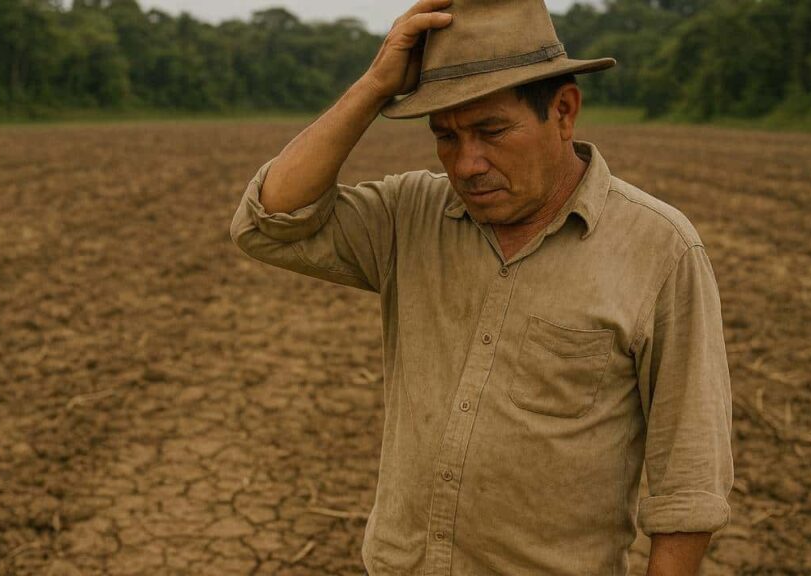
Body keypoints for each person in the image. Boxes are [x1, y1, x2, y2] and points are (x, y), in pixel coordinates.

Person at [228, 0, 734, 574]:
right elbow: (268, 223)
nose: (466, 164)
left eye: (492, 131)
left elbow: (690, 477)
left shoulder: (659, 248)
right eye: (445, 136)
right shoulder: (409, 214)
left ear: (564, 111)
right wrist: (374, 87)